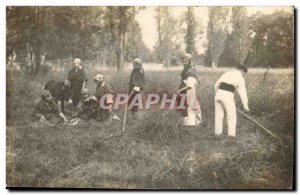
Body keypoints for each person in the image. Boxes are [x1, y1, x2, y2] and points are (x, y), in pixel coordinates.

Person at [214, 64, 250, 137]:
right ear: (242, 71)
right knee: (231, 116)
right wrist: (246, 107)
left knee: (219, 115)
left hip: (218, 94)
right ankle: (231, 135)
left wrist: (218, 93)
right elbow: (242, 93)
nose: (243, 75)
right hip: (228, 95)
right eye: (244, 74)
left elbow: (216, 84)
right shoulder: (240, 77)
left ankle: (217, 133)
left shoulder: (227, 73)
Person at [177, 53, 202, 126]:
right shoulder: (187, 68)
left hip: (187, 89)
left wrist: (180, 90)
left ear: (189, 61)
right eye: (183, 61)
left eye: (185, 61)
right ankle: (187, 123)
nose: (184, 63)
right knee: (184, 106)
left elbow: (190, 84)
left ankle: (190, 123)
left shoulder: (190, 70)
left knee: (188, 106)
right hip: (184, 88)